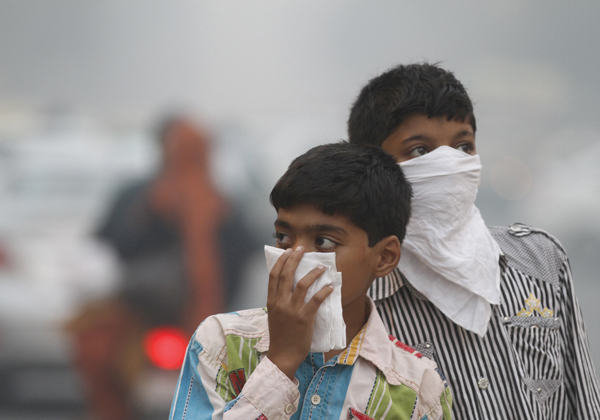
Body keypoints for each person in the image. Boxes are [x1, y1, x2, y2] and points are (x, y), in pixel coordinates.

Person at [347, 62, 600, 419]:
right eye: (420, 150)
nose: (450, 163)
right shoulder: (357, 297)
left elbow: (584, 402)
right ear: (372, 167)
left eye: (463, 146)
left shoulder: (541, 261)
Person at [169, 142, 452, 420]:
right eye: (284, 238)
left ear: (384, 258)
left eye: (324, 241)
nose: (295, 257)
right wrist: (280, 364)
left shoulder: (416, 390)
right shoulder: (220, 344)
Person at [67, 116, 259, 420]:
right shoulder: (151, 198)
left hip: (192, 321)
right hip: (146, 322)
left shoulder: (216, 203)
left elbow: (109, 248)